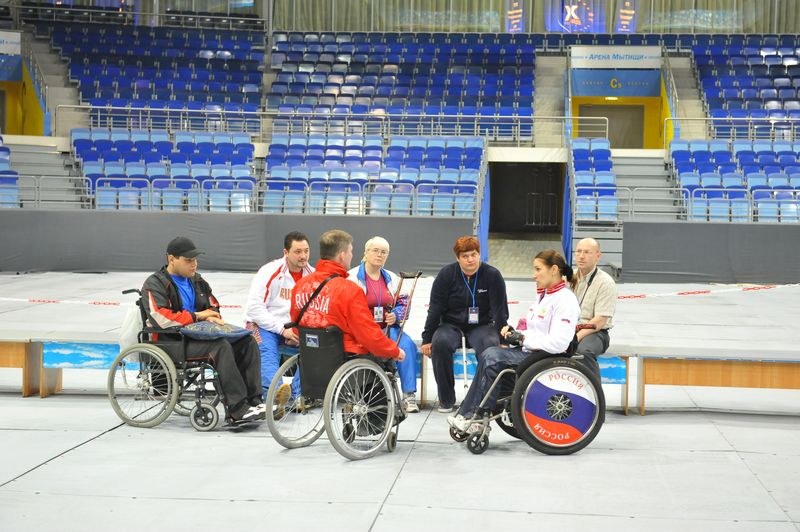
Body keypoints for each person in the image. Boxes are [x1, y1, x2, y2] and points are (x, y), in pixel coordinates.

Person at [447, 249, 580, 432]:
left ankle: (475, 417)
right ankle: (468, 413)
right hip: (533, 352)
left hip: (546, 357)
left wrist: (523, 339)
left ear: (554, 270)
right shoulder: (545, 296)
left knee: (493, 357)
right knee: (489, 353)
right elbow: (536, 332)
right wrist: (515, 334)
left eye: (538, 269)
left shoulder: (565, 300)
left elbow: (559, 343)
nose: (533, 275)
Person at [142, 236, 264, 423]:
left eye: (195, 260)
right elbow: (161, 318)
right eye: (188, 260)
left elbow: (213, 306)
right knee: (221, 347)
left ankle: (254, 401)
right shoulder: (154, 283)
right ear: (171, 259)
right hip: (172, 342)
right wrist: (198, 316)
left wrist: (212, 316)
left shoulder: (198, 281)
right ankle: (237, 409)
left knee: (247, 341)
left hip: (199, 337)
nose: (194, 264)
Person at [420, 236, 509, 413]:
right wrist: (427, 338)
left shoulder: (492, 275)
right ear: (458, 258)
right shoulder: (446, 275)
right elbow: (435, 308)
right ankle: (446, 399)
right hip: (451, 325)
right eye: (465, 256)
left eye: (473, 255)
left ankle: (483, 399)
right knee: (440, 343)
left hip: (482, 325)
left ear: (479, 254)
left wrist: (502, 339)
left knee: (491, 346)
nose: (470, 260)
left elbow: (500, 310)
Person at [290, 229, 405, 364]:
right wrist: (394, 351)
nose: (352, 255)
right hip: (345, 355)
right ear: (342, 255)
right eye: (350, 251)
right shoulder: (349, 289)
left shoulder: (300, 285)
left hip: (311, 354)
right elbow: (367, 333)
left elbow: (296, 326)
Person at [348, 236, 420, 413]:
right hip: (363, 329)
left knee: (407, 345)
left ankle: (409, 395)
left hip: (388, 328)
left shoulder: (392, 278)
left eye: (384, 252)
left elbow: (404, 302)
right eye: (375, 250)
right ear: (366, 252)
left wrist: (396, 315)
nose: (379, 255)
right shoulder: (352, 277)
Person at [244, 231, 314, 404]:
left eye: (306, 251)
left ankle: (297, 395)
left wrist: (295, 331)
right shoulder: (269, 271)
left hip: (293, 329)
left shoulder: (313, 275)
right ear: (286, 252)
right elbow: (254, 309)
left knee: (316, 349)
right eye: (298, 251)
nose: (303, 256)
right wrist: (282, 330)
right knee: (267, 353)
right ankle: (275, 394)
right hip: (262, 325)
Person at [571, 238, 616, 376]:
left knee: (583, 352)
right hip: (569, 328)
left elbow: (600, 321)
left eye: (587, 252)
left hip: (595, 332)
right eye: (578, 251)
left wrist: (576, 337)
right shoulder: (567, 278)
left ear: (598, 255)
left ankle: (594, 388)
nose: (581, 256)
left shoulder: (605, 282)